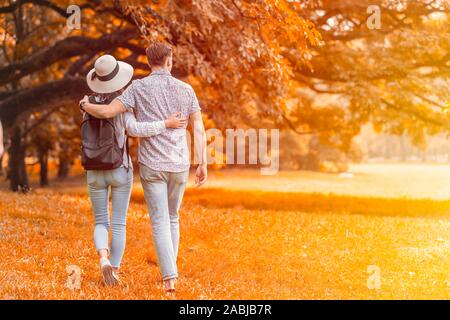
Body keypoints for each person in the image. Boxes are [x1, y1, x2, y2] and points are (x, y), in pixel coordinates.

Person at [80, 42, 207, 292]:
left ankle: (170, 280)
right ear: (169, 61)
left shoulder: (137, 88)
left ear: (149, 63)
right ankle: (169, 277)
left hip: (152, 165)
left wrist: (84, 105)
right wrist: (202, 162)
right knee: (173, 217)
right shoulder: (186, 89)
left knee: (160, 220)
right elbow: (199, 128)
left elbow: (107, 112)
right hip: (179, 163)